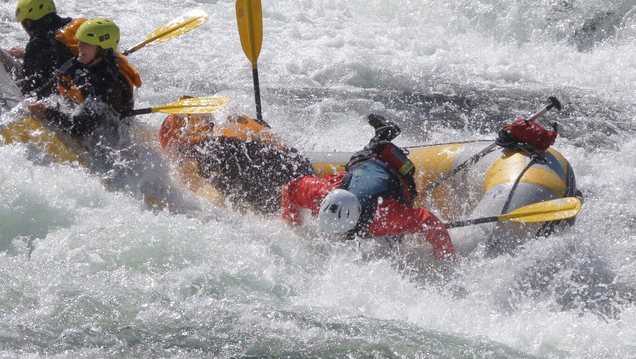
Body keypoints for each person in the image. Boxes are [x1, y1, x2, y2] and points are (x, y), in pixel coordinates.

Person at [281, 114, 456, 263]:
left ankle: (384, 137)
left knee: (396, 236)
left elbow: (428, 220)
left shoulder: (382, 217)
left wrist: (445, 259)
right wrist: (294, 228)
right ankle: (383, 134)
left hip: (396, 178)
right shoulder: (323, 193)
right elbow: (290, 189)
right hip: (363, 164)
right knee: (359, 158)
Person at [158, 111, 314, 214]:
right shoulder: (230, 124)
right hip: (302, 165)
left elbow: (242, 201)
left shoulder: (207, 156)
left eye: (179, 150)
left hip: (292, 193)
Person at [27, 17, 142, 140]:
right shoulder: (77, 62)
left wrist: (47, 112)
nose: (79, 46)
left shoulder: (109, 83)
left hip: (109, 138)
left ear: (102, 49)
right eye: (79, 40)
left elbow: (82, 129)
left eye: (86, 43)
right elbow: (47, 88)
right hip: (82, 118)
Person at [7, 0, 86, 95]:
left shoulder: (37, 44)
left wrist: (30, 55)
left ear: (28, 22)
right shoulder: (71, 24)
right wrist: (26, 54)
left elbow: (29, 89)